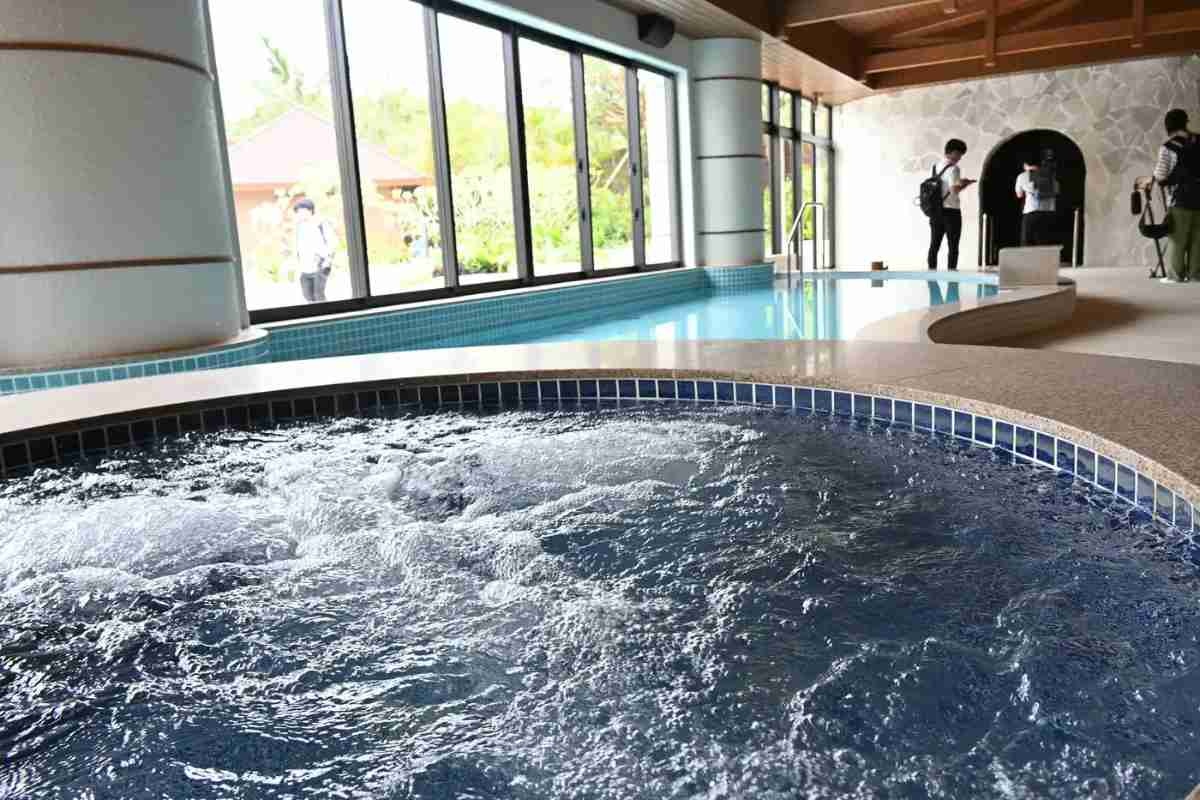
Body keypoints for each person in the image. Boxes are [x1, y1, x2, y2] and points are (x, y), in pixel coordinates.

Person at [1153, 109, 1200, 284]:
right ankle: (1196, 274)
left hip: (1180, 199)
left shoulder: (1168, 147)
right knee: (1197, 239)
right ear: (1186, 123)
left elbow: (1160, 175)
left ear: (1168, 126)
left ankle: (1176, 275)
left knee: (1178, 238)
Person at [927, 139, 976, 271]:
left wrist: (959, 183)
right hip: (951, 212)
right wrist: (965, 184)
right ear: (953, 152)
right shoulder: (954, 168)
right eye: (960, 154)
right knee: (953, 246)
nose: (960, 158)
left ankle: (931, 274)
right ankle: (952, 276)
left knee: (934, 245)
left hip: (935, 211)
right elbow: (954, 190)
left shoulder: (935, 167)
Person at [291, 198, 337, 302]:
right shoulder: (299, 227)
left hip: (319, 265)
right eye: (298, 212)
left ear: (310, 210)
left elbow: (333, 242)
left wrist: (327, 260)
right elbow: (298, 246)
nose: (299, 214)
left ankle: (326, 312)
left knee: (319, 295)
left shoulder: (321, 224)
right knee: (307, 296)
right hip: (304, 267)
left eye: (302, 211)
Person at [1015, 152, 1059, 248]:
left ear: (1025, 164)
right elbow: (1056, 191)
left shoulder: (1022, 176)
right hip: (1049, 212)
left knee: (1027, 244)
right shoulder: (1050, 175)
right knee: (1045, 244)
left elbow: (1019, 195)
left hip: (1031, 212)